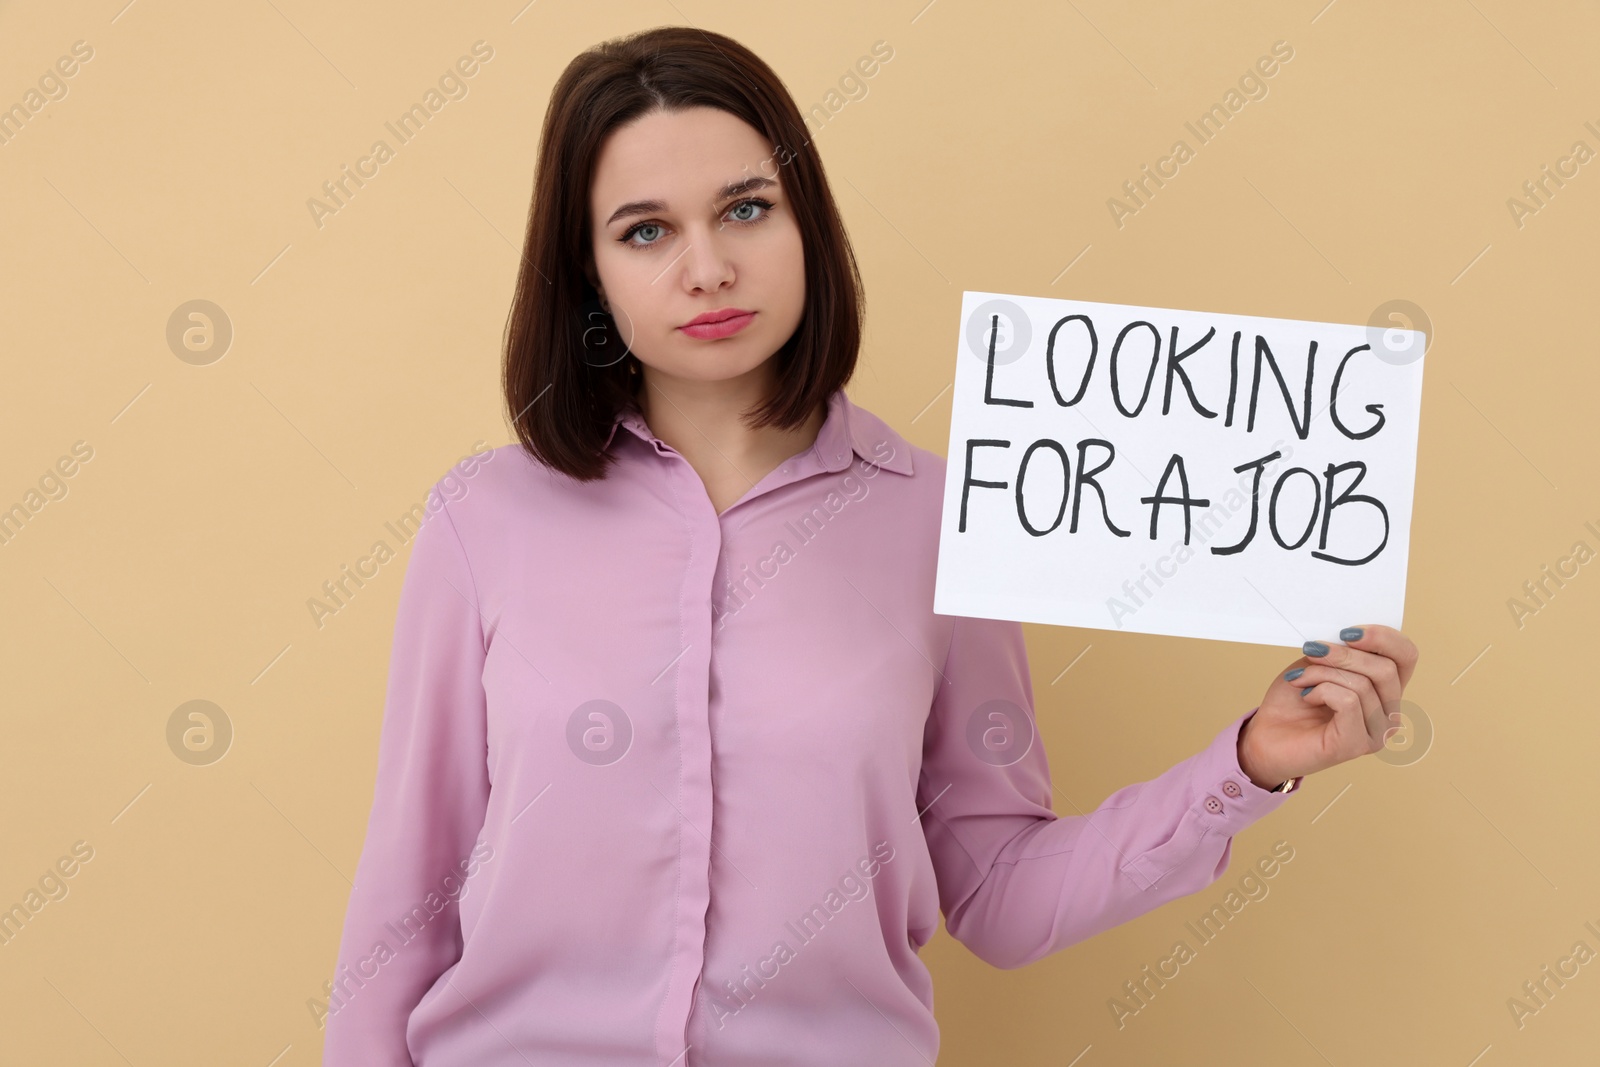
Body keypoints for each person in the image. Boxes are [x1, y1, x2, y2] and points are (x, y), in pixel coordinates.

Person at [321, 25, 1420, 1066]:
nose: (705, 267)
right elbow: (404, 897)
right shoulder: (485, 518)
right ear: (588, 272)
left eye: (745, 209)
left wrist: (1247, 764)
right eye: (644, 230)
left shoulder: (943, 522)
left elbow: (996, 887)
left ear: (808, 224)